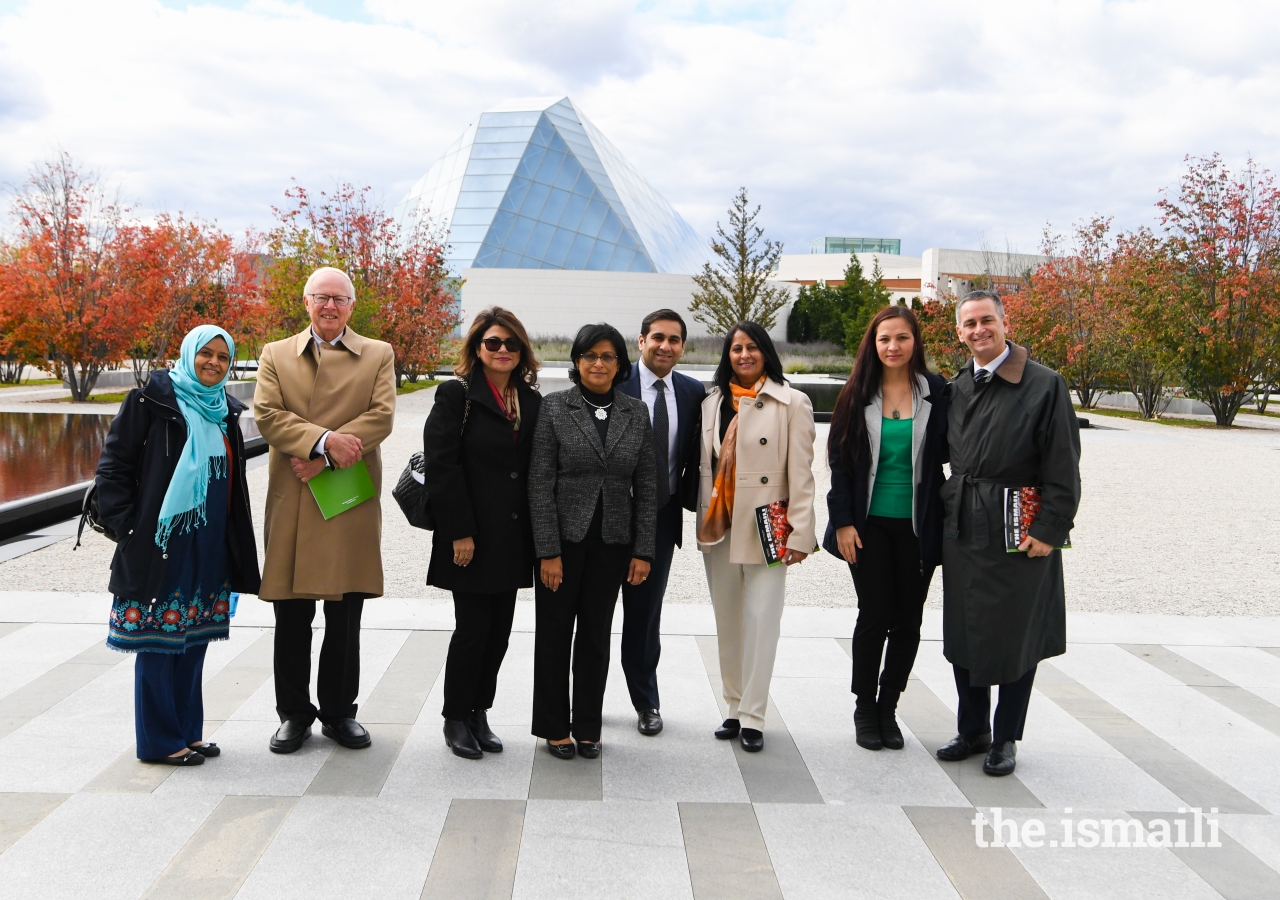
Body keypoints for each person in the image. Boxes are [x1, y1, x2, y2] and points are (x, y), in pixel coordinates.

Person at [97, 325, 260, 765]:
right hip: (160, 542)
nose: (213, 363)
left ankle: (187, 732)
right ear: (188, 354)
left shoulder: (224, 409)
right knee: (157, 640)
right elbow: (113, 468)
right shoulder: (150, 402)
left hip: (208, 543)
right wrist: (128, 531)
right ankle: (159, 741)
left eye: (223, 358)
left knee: (192, 639)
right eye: (205, 354)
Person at [936, 290, 1080, 777]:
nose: (979, 330)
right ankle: (972, 728)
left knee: (1016, 635)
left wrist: (1050, 529)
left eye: (987, 321)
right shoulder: (956, 387)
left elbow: (1063, 465)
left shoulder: (1044, 384)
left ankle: (1006, 738)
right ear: (959, 333)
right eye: (969, 324)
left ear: (1003, 322)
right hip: (963, 528)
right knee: (964, 629)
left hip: (1018, 529)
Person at [254, 266, 396, 755]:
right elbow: (268, 415)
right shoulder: (275, 354)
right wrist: (322, 443)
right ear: (306, 302)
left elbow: (381, 416)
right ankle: (293, 715)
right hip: (294, 497)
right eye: (321, 297)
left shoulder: (378, 354)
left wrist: (327, 455)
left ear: (352, 306)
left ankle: (339, 712)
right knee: (291, 618)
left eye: (339, 298)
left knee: (345, 617)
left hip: (346, 500)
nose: (330, 306)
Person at [528, 323, 656, 760]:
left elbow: (648, 486)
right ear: (576, 362)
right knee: (554, 634)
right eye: (589, 356)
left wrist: (643, 550)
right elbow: (539, 482)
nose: (598, 364)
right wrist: (547, 551)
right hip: (562, 543)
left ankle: (587, 726)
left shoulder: (635, 412)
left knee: (596, 637)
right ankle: (553, 726)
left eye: (607, 356)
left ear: (620, 364)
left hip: (613, 542)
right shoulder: (553, 408)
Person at [825, 306, 948, 751]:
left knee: (908, 621)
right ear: (872, 344)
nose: (893, 347)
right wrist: (842, 522)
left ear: (916, 342)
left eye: (902, 338)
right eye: (884, 339)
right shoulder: (856, 393)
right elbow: (839, 464)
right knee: (874, 615)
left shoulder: (937, 391)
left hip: (919, 527)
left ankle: (888, 706)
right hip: (867, 526)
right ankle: (864, 706)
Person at [422, 308, 542, 759]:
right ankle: (456, 716)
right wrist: (459, 532)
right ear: (477, 348)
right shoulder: (457, 396)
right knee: (472, 630)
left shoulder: (531, 402)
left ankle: (479, 711)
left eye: (512, 344)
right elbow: (442, 466)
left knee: (500, 632)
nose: (503, 350)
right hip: (469, 537)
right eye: (493, 343)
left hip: (513, 537)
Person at [697, 321, 816, 753]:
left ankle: (754, 715)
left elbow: (802, 476)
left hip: (769, 525)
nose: (743, 355)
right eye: (735, 349)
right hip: (722, 523)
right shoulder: (712, 403)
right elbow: (706, 467)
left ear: (766, 352)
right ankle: (733, 705)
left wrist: (801, 532)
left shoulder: (792, 403)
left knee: (762, 621)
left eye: (752, 348)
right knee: (728, 621)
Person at [616, 309, 706, 736]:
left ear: (683, 347)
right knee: (593, 617)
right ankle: (584, 703)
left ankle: (646, 702)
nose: (665, 346)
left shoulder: (693, 393)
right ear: (640, 341)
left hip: (660, 519)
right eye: (657, 338)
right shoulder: (613, 383)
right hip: (606, 518)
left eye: (674, 340)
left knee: (645, 616)